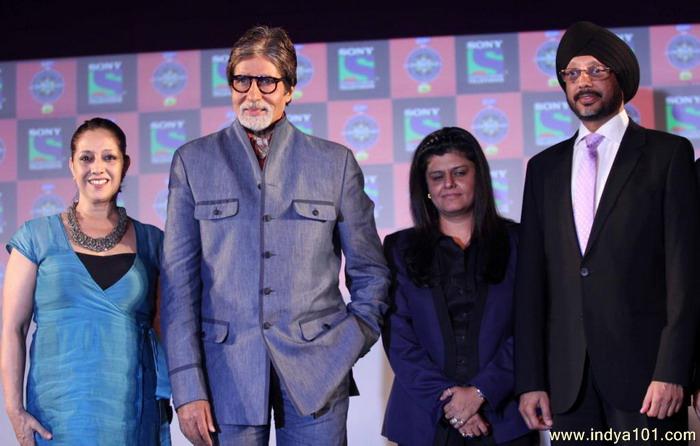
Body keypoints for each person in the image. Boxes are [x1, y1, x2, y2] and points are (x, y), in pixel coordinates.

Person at [160, 25, 389, 445]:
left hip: (319, 376)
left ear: (289, 89)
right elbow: (178, 286)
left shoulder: (335, 163)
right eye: (242, 80)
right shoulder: (192, 161)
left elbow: (371, 273)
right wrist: (188, 388)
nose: (253, 93)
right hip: (224, 376)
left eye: (266, 81)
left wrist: (347, 344)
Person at [515, 21, 700, 444]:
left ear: (621, 78)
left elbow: (685, 274)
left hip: (648, 381)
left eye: (596, 71)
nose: (583, 82)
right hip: (568, 382)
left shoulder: (667, 155)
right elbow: (530, 284)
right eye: (572, 74)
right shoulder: (543, 169)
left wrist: (673, 370)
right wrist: (530, 379)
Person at [0, 117, 171, 446]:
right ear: (71, 165)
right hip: (57, 419)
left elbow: (166, 330)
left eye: (109, 157)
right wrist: (14, 410)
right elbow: (12, 329)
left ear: (125, 165)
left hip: (132, 413)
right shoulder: (35, 237)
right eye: (86, 158)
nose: (98, 168)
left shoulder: (153, 242)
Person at [382, 127, 535, 446]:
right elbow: (399, 337)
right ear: (425, 187)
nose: (448, 184)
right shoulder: (399, 248)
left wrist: (481, 392)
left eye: (459, 173)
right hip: (424, 420)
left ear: (479, 177)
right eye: (437, 177)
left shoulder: (519, 242)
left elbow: (531, 329)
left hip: (505, 416)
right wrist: (450, 403)